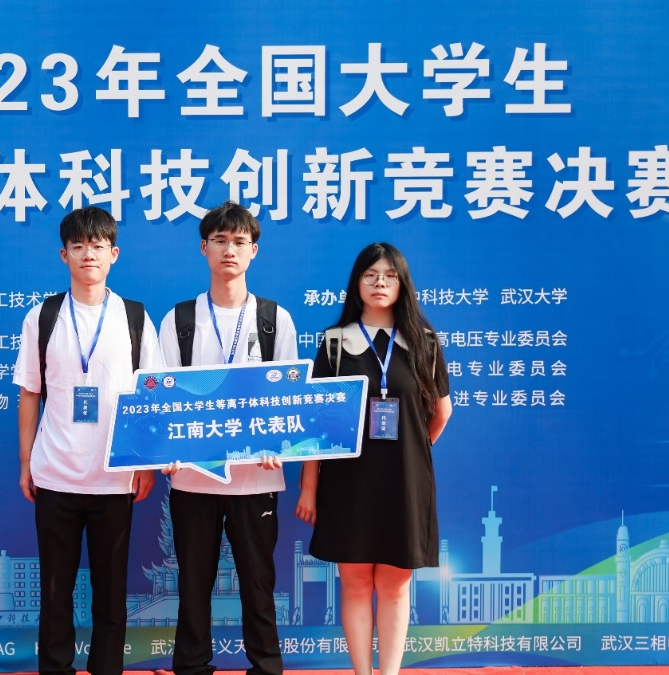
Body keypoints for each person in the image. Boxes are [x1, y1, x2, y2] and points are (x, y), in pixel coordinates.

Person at [14, 206, 164, 675]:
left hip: (114, 478)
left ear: (113, 254)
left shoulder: (134, 318)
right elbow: (29, 393)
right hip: (55, 475)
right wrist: (26, 463)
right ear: (64, 255)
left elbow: (152, 397)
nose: (88, 255)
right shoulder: (43, 316)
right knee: (55, 593)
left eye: (97, 246)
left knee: (111, 595)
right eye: (77, 247)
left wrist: (146, 463)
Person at [295, 242, 452, 675]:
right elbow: (317, 424)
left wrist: (412, 450)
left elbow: (441, 413)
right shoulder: (334, 344)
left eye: (389, 276)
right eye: (370, 275)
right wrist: (309, 488)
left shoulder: (424, 344)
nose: (379, 283)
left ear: (403, 285)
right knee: (356, 583)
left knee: (396, 584)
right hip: (348, 481)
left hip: (405, 481)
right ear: (357, 283)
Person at [157, 201, 298, 675]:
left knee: (258, 583)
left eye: (239, 241)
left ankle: (266, 667)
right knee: (193, 582)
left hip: (257, 478)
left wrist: (278, 444)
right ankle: (192, 667)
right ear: (204, 248)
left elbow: (288, 397)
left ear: (254, 250)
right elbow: (163, 400)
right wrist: (168, 451)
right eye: (220, 241)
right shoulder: (179, 320)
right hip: (192, 478)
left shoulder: (274, 319)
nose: (229, 250)